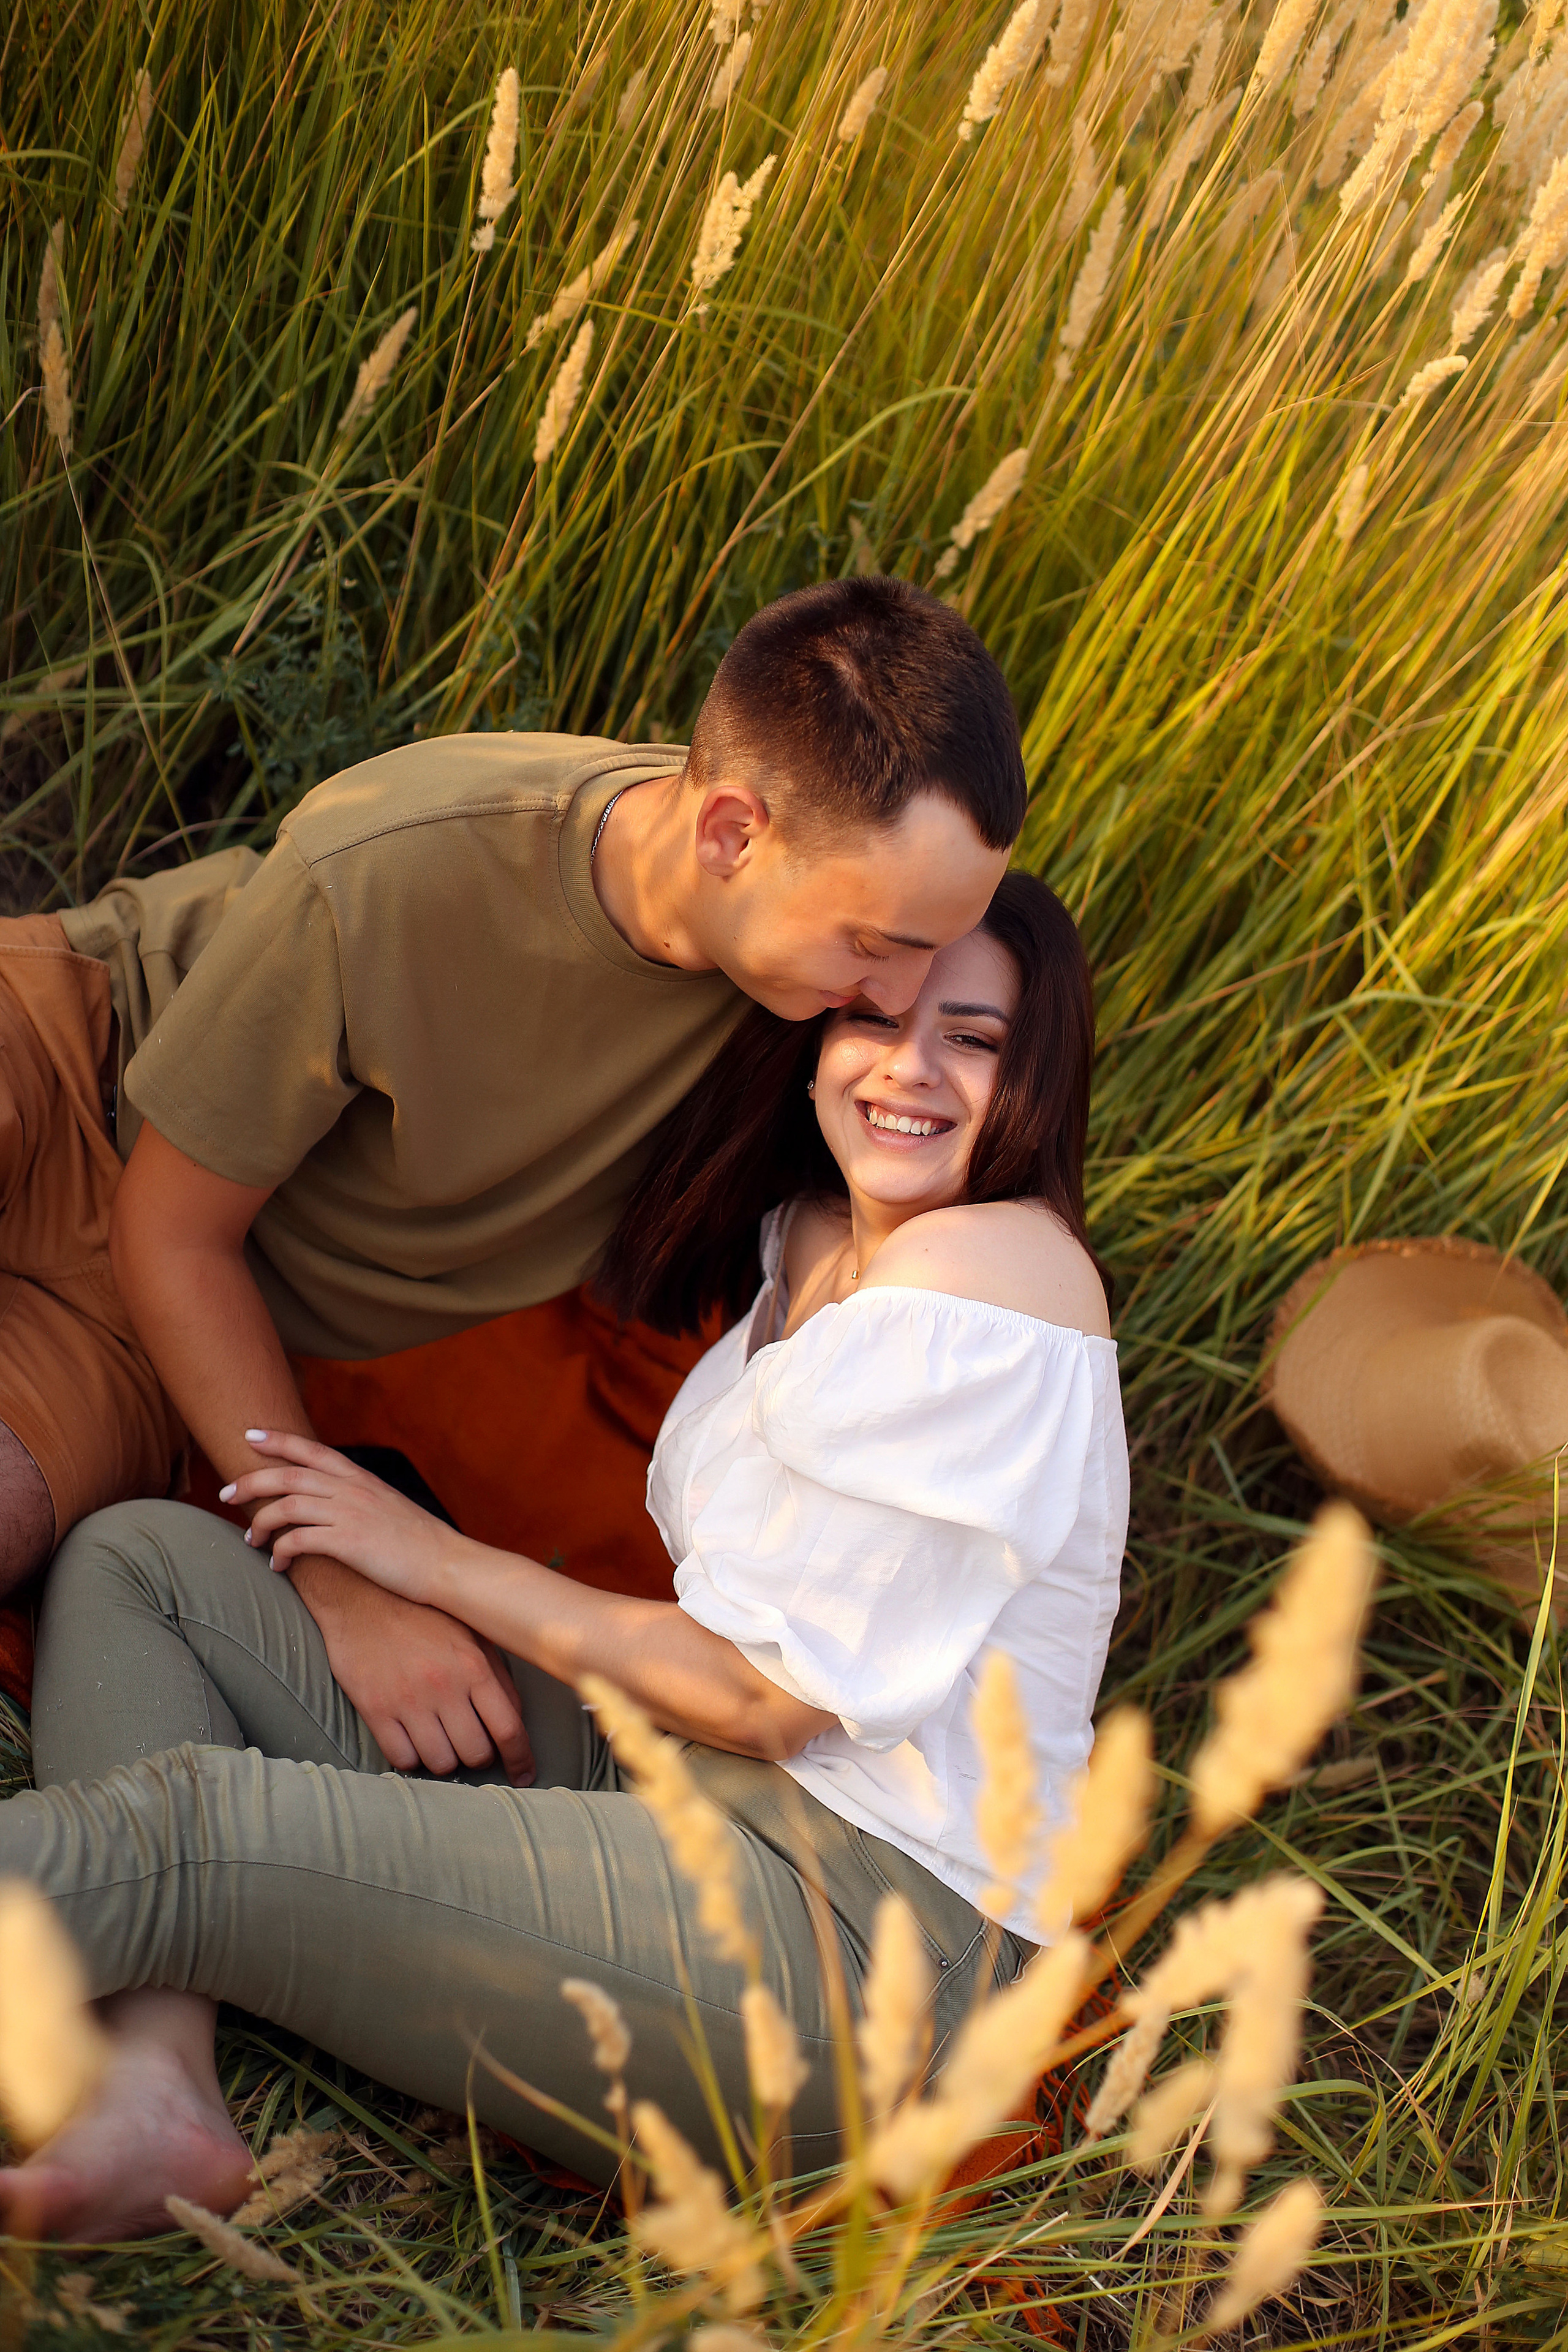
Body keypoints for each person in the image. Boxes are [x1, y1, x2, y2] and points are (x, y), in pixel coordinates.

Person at [0, 872, 1128, 2243]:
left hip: (853, 1945)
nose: (908, 1067)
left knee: (196, 1834)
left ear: (1037, 1076)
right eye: (875, 1016)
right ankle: (152, 2090)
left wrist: (425, 1560)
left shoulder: (996, 1274)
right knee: (143, 1567)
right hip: (670, 1780)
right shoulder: (814, 1240)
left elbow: (767, 1700)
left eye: (973, 1037)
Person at [0, 579, 1020, 1779]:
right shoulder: (399, 865)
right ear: (730, 835)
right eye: (875, 943)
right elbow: (176, 1224)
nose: (899, 1001)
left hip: (163, 1321)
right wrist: (337, 1584)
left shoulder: (808, 1015)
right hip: (78, 1056)